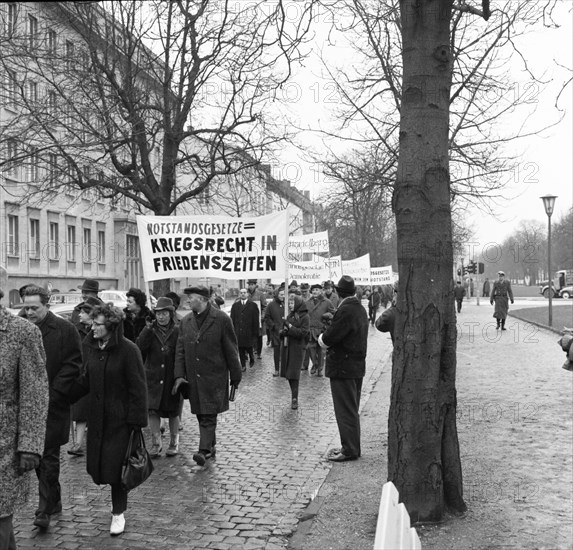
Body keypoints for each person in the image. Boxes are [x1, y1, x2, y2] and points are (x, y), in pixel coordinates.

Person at [69, 304, 148, 536]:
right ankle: (116, 509)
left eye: (97, 324)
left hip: (120, 422)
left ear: (111, 326)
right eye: (92, 323)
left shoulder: (128, 350)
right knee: (101, 467)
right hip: (98, 420)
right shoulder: (92, 348)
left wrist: (135, 421)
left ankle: (118, 513)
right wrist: (63, 395)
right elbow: (85, 379)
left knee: (117, 471)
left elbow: (138, 388)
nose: (92, 328)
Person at [22, 285, 82, 530]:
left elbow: (74, 365)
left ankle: (44, 509)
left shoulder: (65, 330)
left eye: (34, 307)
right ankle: (54, 499)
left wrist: (53, 393)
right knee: (33, 457)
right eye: (25, 307)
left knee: (48, 457)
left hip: (53, 404)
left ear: (47, 305)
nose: (29, 312)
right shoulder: (20, 327)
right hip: (26, 405)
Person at [0, 288, 49, 550]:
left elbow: (35, 393)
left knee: (0, 513)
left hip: (5, 444)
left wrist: (29, 445)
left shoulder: (22, 332)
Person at [172, 286, 242, 467]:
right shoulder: (186, 321)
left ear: (203, 299)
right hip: (193, 379)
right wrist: (179, 375)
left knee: (208, 415)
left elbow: (231, 349)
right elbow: (180, 351)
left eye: (191, 298)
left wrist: (236, 374)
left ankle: (203, 450)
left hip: (214, 378)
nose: (187, 301)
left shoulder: (221, 319)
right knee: (201, 414)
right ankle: (210, 444)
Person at [318, 276, 368, 462]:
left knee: (344, 410)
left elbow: (329, 338)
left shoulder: (345, 310)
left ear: (338, 292)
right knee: (351, 409)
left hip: (342, 368)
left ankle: (349, 450)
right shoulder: (359, 308)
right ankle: (351, 446)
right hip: (356, 367)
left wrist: (321, 337)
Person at [136, 297, 182, 458]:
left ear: (170, 313)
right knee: (152, 410)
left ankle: (174, 442)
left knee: (173, 411)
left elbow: (181, 353)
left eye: (164, 313)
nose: (161, 317)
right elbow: (139, 348)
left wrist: (180, 376)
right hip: (153, 377)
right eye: (158, 313)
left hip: (171, 377)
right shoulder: (151, 329)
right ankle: (156, 443)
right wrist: (147, 330)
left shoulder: (177, 329)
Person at [68, 297, 101, 457]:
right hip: (81, 375)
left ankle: (98, 444)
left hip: (99, 375)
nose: (79, 315)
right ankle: (78, 444)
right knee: (80, 412)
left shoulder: (101, 330)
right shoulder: (76, 329)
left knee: (98, 412)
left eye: (83, 312)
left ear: (90, 315)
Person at [279, 293, 310, 410]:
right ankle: (293, 395)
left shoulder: (305, 317)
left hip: (298, 348)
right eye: (289, 303)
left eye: (292, 303)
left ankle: (294, 399)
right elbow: (286, 330)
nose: (290, 305)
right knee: (289, 374)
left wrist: (290, 327)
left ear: (297, 303)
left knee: (294, 374)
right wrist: (282, 333)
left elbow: (303, 333)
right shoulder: (290, 316)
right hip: (288, 347)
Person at [304, 283, 335, 376]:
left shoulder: (327, 302)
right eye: (313, 290)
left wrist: (329, 316)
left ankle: (320, 369)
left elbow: (334, 313)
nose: (315, 292)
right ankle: (315, 364)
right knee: (310, 348)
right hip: (311, 329)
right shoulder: (307, 302)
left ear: (321, 291)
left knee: (321, 350)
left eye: (317, 290)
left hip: (322, 329)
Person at [230, 288, 260, 371]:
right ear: (239, 294)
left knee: (249, 346)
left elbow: (256, 320)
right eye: (241, 293)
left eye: (244, 292)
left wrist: (256, 332)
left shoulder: (253, 305)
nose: (243, 294)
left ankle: (251, 357)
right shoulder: (235, 306)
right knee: (240, 349)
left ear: (247, 294)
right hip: (238, 331)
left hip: (249, 331)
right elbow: (232, 319)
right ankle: (243, 365)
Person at [263, 285, 286, 377]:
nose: (282, 296)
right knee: (277, 351)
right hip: (276, 332)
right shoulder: (271, 305)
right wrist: (273, 326)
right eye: (280, 294)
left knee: (287, 351)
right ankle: (277, 369)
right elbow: (267, 317)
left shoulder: (288, 303)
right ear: (277, 294)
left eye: (284, 294)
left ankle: (285, 369)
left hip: (287, 331)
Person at [247, 279, 267, 359]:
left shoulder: (260, 294)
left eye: (252, 284)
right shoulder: (246, 294)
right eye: (249, 284)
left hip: (258, 319)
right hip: (248, 319)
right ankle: (250, 352)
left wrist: (262, 316)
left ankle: (259, 353)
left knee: (259, 336)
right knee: (249, 336)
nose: (250, 286)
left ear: (255, 285)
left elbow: (264, 307)